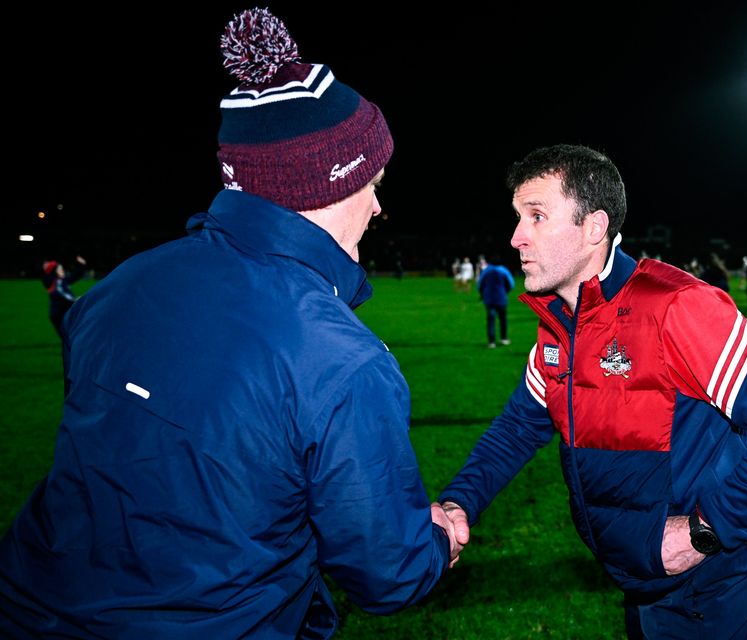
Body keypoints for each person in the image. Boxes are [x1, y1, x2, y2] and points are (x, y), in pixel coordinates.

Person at [0, 9, 460, 638]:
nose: (379, 206)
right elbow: (387, 573)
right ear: (327, 186)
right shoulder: (340, 360)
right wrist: (436, 541)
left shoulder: (116, 289)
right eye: (373, 183)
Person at [436, 144, 747, 638]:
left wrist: (705, 532)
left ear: (594, 228)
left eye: (537, 216)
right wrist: (459, 502)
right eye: (518, 217)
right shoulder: (560, 324)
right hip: (640, 570)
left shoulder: (677, 306)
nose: (517, 237)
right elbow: (518, 428)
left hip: (704, 582)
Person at [40, 255, 87, 340]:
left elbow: (75, 275)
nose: (63, 271)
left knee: (70, 337)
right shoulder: (58, 282)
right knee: (69, 337)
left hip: (63, 313)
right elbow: (63, 294)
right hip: (58, 315)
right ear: (55, 272)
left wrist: (81, 265)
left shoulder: (62, 280)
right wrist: (76, 299)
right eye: (60, 269)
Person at [476, 255, 515, 348]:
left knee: (491, 319)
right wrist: (505, 291)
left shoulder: (486, 271)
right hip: (501, 298)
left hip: (489, 298)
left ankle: (491, 342)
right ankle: (504, 339)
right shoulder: (504, 270)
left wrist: (483, 293)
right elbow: (511, 284)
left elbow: (479, 285)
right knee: (503, 319)